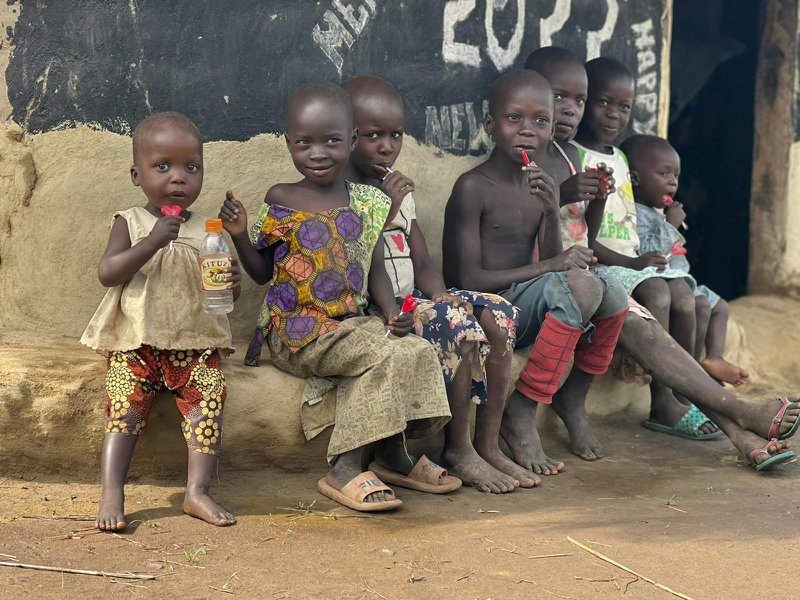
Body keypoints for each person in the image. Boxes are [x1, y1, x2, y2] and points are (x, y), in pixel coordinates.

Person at [525, 47, 799, 470]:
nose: (568, 111)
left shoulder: (566, 157)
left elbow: (585, 234)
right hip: (554, 283)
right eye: (558, 98)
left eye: (577, 100)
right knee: (637, 314)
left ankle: (744, 438)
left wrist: (596, 200)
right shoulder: (529, 160)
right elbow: (532, 239)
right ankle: (741, 417)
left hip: (584, 277)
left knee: (645, 323)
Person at [220, 83, 458, 512]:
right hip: (297, 330)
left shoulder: (369, 200)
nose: (318, 153)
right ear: (288, 144)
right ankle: (344, 468)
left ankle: (392, 456)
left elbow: (374, 266)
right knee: (383, 356)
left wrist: (389, 312)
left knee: (416, 348)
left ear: (350, 141)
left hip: (351, 323)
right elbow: (261, 274)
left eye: (332, 141)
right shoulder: (281, 198)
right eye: (304, 143)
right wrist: (239, 237)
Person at [342, 75, 527, 493]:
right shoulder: (343, 193)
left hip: (414, 298)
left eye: (396, 135)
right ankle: (457, 449)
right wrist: (384, 207)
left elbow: (421, 258)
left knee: (497, 314)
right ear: (348, 136)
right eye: (373, 136)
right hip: (377, 307)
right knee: (454, 322)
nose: (387, 146)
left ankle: (487, 443)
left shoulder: (398, 190)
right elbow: (354, 262)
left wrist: (441, 292)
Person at [443, 70, 630, 478]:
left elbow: (552, 267)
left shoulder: (539, 185)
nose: (527, 132)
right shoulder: (473, 187)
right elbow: (469, 279)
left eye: (540, 121)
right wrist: (552, 265)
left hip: (523, 307)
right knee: (578, 285)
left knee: (614, 292)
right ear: (491, 126)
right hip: (482, 306)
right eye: (514, 119)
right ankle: (523, 407)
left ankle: (571, 397)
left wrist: (550, 211)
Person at [81, 112, 238, 531]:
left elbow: (222, 294)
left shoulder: (209, 229)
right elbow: (108, 273)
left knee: (209, 403)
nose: (178, 178)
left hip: (194, 345)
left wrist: (232, 282)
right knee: (123, 407)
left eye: (191, 167)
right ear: (137, 174)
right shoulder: (130, 221)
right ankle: (113, 490)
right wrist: (152, 240)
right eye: (162, 166)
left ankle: (197, 492)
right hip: (137, 344)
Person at [623, 134, 749, 387]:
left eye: (676, 176)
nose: (672, 182)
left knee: (720, 306)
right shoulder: (634, 213)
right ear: (635, 179)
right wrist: (671, 225)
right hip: (661, 281)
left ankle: (713, 358)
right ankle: (688, 378)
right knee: (700, 306)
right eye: (664, 174)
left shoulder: (658, 213)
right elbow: (649, 253)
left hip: (683, 281)